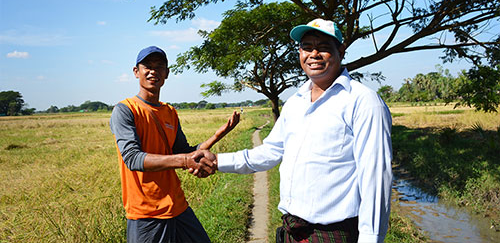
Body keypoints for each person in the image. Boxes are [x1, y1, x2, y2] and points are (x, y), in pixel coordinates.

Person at [216, 19, 393, 243]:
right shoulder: (295, 102)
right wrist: (216, 161)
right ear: (299, 53)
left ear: (341, 51)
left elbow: (376, 178)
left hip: (333, 234)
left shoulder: (363, 101)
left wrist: (371, 239)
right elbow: (269, 152)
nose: (314, 54)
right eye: (307, 47)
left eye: (324, 47)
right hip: (292, 230)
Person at [110, 45, 239, 243]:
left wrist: (216, 136)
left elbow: (183, 152)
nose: (154, 71)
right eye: (147, 66)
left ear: (167, 73)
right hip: (146, 213)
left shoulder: (169, 112)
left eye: (160, 66)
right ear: (136, 72)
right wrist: (186, 160)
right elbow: (133, 158)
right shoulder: (126, 110)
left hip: (177, 206)